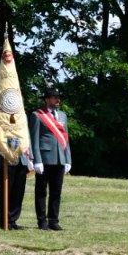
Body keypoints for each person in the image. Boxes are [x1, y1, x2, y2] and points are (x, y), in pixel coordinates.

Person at [31, 87, 72, 230]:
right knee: (41, 191)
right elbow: (34, 139)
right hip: (44, 158)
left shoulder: (63, 116)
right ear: (47, 99)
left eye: (58, 97)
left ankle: (53, 220)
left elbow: (66, 139)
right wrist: (37, 160)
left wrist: (68, 159)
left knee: (56, 191)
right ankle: (42, 221)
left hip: (60, 158)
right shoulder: (37, 115)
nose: (58, 100)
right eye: (54, 97)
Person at [0, 145, 33, 230]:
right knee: (5, 192)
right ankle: (4, 220)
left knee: (18, 192)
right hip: (7, 159)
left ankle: (12, 219)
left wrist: (30, 157)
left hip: (22, 159)